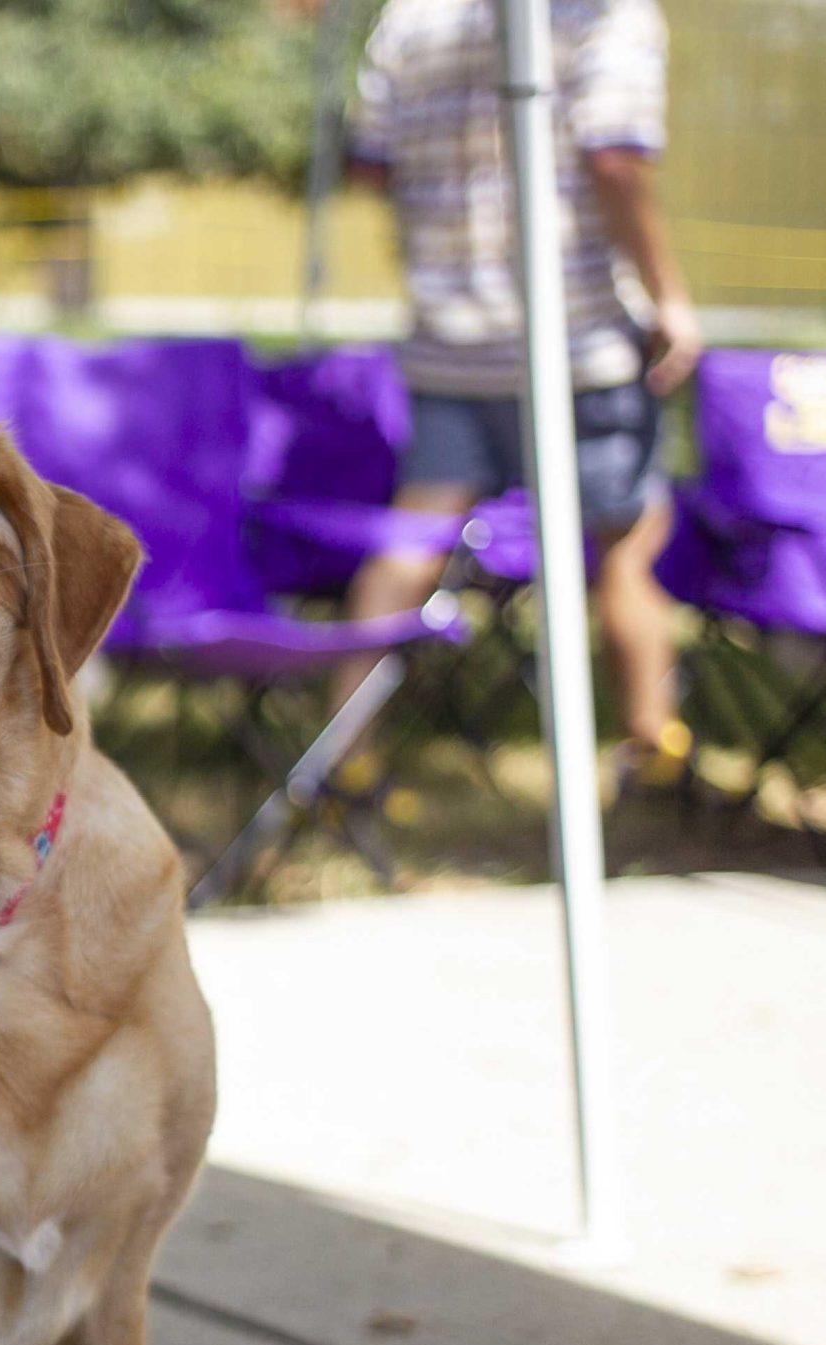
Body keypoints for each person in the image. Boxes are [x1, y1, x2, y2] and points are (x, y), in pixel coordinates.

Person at [341, 0, 701, 784]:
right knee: (627, 546)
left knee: (409, 545)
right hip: (578, 340)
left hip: (451, 334)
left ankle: (344, 758)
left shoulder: (410, 16)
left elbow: (368, 162)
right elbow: (614, 160)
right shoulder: (606, 14)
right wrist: (668, 297)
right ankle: (653, 745)